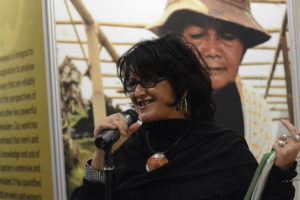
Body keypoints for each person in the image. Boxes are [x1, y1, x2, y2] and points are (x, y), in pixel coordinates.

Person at [70, 34, 299, 200]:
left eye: (148, 80)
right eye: (132, 84)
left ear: (182, 85)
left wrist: (281, 168)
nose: (138, 92)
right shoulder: (127, 149)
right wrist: (101, 155)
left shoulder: (224, 147)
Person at [147, 0, 274, 161]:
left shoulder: (255, 107)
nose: (213, 51)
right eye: (197, 34)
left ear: (243, 46)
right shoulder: (151, 99)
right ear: (178, 44)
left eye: (228, 37)